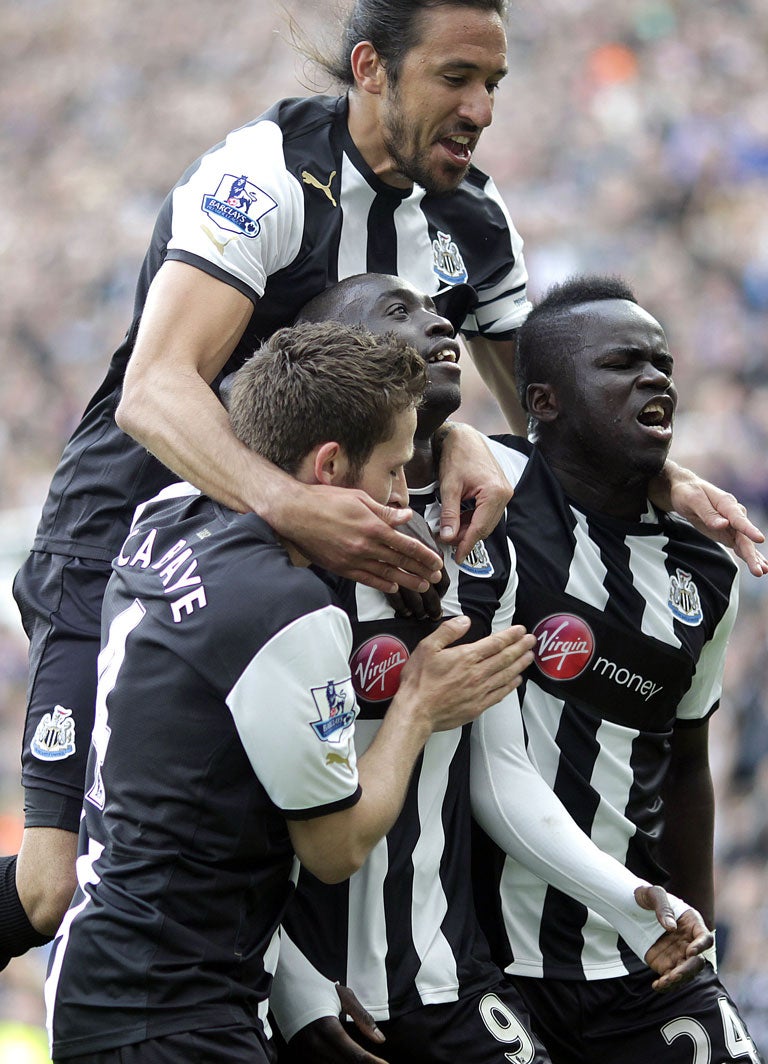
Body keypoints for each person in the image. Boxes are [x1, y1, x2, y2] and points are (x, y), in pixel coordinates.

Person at [5, 0, 764, 974]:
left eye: (494, 83)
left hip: (285, 573)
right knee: (53, 883)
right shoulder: (267, 176)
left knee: (290, 856)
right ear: (370, 68)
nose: (482, 106)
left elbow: (533, 404)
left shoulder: (475, 224)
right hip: (128, 554)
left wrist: (660, 478)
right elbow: (154, 392)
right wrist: (292, 501)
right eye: (456, 77)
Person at [44, 320, 536, 1064]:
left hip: (106, 970)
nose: (405, 499)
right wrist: (418, 707)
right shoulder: (287, 612)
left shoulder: (169, 514)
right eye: (396, 470)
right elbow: (335, 845)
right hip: (174, 1011)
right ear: (330, 463)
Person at [264, 274, 716, 1064]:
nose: (441, 319)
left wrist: (641, 907)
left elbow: (499, 778)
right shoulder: (263, 565)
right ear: (330, 361)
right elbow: (232, 808)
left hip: (454, 983)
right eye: (398, 312)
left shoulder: (474, 542)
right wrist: (293, 981)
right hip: (313, 990)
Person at [468, 276, 764, 1063]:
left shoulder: (707, 568)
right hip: (482, 955)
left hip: (633, 955)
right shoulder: (487, 492)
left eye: (662, 362)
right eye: (623, 363)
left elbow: (687, 762)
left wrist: (695, 932)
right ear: (545, 400)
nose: (656, 377)